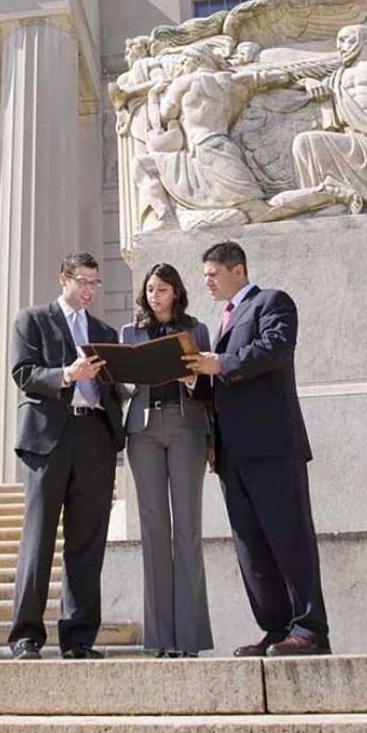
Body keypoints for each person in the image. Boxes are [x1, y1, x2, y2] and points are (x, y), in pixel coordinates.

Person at [185, 241, 330, 657]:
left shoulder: (273, 302)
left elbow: (275, 349)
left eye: (213, 273)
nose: (207, 282)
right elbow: (226, 381)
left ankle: (309, 629)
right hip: (232, 452)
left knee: (289, 538)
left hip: (272, 446)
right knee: (251, 547)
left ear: (239, 271)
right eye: (205, 276)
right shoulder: (223, 319)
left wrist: (221, 364)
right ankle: (276, 628)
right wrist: (199, 380)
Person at [7, 252, 126, 660]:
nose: (90, 289)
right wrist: (68, 375)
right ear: (64, 279)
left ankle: (78, 639)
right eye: (83, 281)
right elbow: (23, 373)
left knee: (87, 542)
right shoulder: (33, 319)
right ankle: (26, 635)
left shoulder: (105, 332)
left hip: (95, 435)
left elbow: (113, 387)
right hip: (49, 438)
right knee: (38, 538)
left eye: (95, 283)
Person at [121, 263, 214, 659]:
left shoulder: (196, 329)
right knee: (154, 528)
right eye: (151, 289)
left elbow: (209, 386)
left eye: (162, 288)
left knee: (187, 527)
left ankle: (189, 639)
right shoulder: (130, 332)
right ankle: (161, 639)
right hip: (143, 431)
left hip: (186, 427)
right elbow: (122, 385)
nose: (155, 295)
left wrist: (190, 378)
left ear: (175, 291)